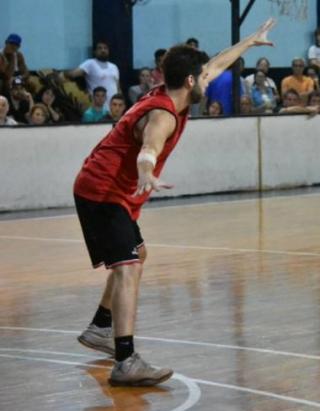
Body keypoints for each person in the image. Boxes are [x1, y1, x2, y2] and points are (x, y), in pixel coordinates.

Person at [73, 18, 276, 387]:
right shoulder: (163, 114)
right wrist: (146, 169)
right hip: (102, 191)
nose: (207, 82)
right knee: (128, 266)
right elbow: (150, 145)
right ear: (189, 82)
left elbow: (214, 64)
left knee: (136, 254)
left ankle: (101, 327)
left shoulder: (172, 91)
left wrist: (250, 41)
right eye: (202, 79)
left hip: (109, 189)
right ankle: (126, 360)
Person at [65, 41, 121, 108]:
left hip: (114, 109)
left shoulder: (114, 67)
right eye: (100, 48)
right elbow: (72, 74)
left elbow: (118, 87)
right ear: (95, 51)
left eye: (105, 48)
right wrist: (63, 74)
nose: (103, 50)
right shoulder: (90, 63)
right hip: (97, 108)